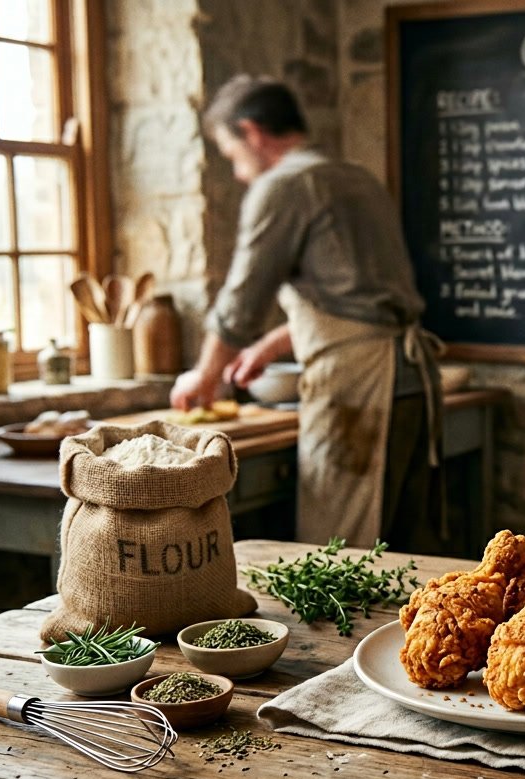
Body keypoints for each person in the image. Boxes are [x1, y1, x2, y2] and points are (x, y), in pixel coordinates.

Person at [172, 74, 443, 552]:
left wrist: (205, 375)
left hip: (359, 389)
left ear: (252, 131)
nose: (238, 173)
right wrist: (267, 347)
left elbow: (243, 300)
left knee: (341, 551)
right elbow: (358, 304)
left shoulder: (284, 185)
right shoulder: (357, 178)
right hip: (411, 381)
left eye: (232, 155)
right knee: (401, 551)